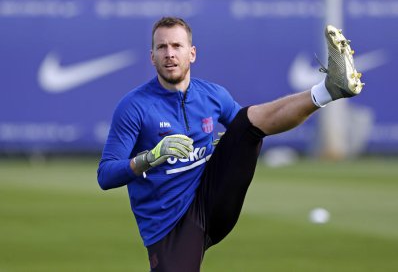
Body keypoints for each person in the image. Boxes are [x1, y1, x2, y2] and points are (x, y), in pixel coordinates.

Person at [97, 17, 364, 271]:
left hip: (213, 200)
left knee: (247, 123)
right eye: (162, 47)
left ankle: (330, 89)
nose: (169, 53)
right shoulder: (133, 107)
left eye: (177, 46)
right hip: (170, 226)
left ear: (192, 53)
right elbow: (105, 175)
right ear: (152, 56)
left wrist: (231, 141)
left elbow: (256, 126)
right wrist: (150, 157)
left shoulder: (213, 95)